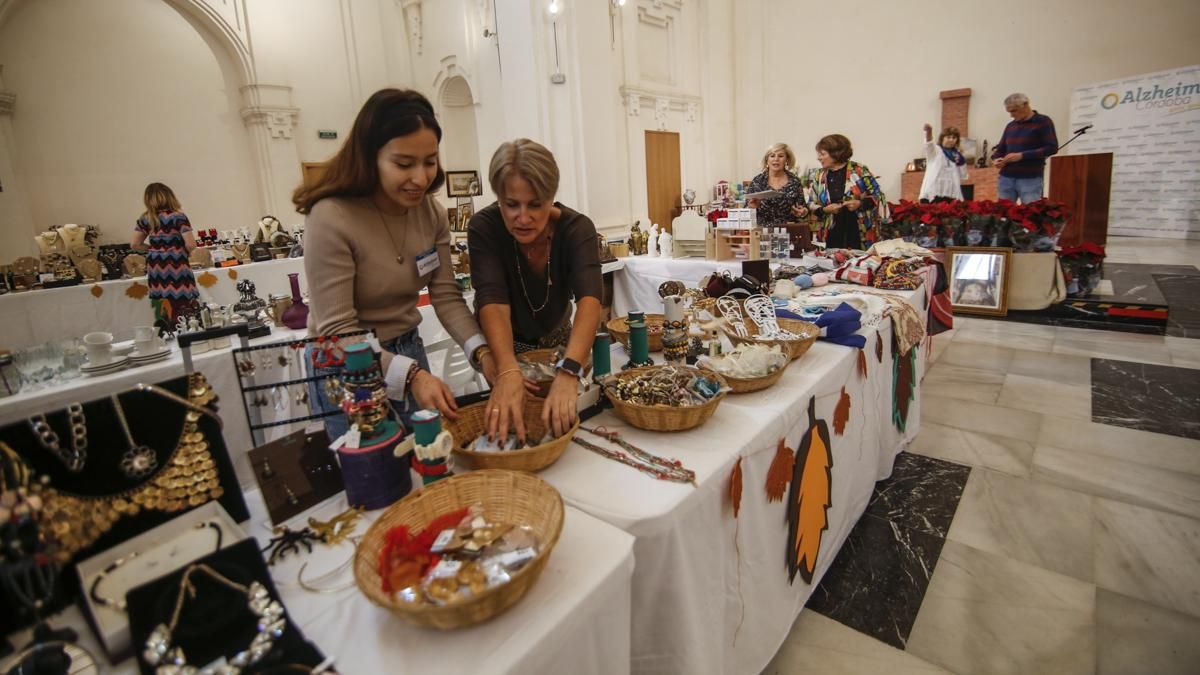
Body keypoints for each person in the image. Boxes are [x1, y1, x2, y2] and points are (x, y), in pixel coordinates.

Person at [293, 88, 494, 437]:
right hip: (348, 368)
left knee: (425, 457)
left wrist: (483, 354)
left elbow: (446, 296)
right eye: (404, 164)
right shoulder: (331, 217)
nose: (420, 178)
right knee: (372, 479)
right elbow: (337, 331)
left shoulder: (429, 213)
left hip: (407, 349)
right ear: (370, 157)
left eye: (430, 161)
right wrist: (412, 374)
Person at [468, 139, 603, 443]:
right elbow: (491, 300)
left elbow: (590, 300)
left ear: (551, 197)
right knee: (518, 432)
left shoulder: (577, 229)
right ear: (498, 199)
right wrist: (506, 370)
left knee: (565, 429)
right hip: (506, 348)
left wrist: (569, 371)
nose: (524, 218)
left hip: (563, 347)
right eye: (511, 204)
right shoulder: (484, 227)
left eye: (535, 204)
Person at [131, 183, 200, 332]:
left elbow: (135, 244)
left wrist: (154, 249)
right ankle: (187, 331)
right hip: (177, 264)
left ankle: (169, 331)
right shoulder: (178, 217)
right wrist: (179, 251)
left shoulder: (145, 218)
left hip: (156, 265)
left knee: (164, 302)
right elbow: (191, 244)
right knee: (183, 302)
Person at [806, 134, 886, 250]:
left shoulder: (859, 170)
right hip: (830, 234)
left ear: (836, 154)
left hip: (859, 232)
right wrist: (824, 209)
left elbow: (879, 197)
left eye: (822, 154)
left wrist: (860, 204)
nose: (818, 158)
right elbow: (811, 203)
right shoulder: (819, 175)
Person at [991, 93, 1058, 203]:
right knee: (1003, 214)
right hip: (1006, 178)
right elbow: (1001, 149)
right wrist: (996, 159)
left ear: (1025, 105)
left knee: (1030, 213)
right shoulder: (1010, 126)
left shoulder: (1043, 122)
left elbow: (1051, 148)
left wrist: (1022, 156)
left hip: (1030, 178)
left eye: (1014, 111)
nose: (1011, 115)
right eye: (1009, 112)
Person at [746, 143, 809, 225]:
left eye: (780, 156)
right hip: (762, 233)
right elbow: (745, 210)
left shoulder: (795, 181)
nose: (776, 159)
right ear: (767, 160)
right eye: (772, 156)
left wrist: (803, 212)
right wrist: (752, 207)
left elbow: (802, 208)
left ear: (787, 160)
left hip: (788, 232)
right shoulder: (757, 181)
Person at [919, 124, 968, 202]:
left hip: (951, 194)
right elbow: (929, 144)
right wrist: (929, 131)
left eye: (954, 138)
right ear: (942, 138)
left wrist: (961, 162)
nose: (951, 140)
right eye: (948, 137)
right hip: (934, 193)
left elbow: (964, 176)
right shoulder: (936, 150)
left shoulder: (958, 156)